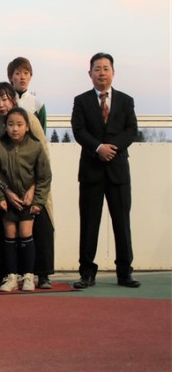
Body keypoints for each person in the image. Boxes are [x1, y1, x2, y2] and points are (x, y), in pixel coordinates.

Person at [71, 53, 139, 289]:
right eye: (97, 69)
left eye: (106, 68)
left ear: (113, 72)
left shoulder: (126, 100)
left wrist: (112, 148)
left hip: (118, 171)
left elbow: (131, 130)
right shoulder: (81, 101)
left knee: (122, 224)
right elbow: (78, 130)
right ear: (89, 73)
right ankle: (86, 273)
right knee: (89, 224)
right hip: (91, 171)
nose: (101, 73)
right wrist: (98, 148)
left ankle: (125, 273)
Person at [0, 82, 55, 289]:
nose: (1, 104)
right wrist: (5, 192)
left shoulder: (28, 118)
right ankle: (4, 273)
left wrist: (33, 189)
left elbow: (42, 154)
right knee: (1, 231)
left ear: (13, 100)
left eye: (5, 99)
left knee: (40, 228)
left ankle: (41, 274)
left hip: (32, 188)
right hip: (4, 190)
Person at [8, 57, 47, 132]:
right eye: (18, 73)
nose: (22, 77)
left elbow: (42, 134)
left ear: (30, 76)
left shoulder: (38, 103)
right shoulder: (4, 103)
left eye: (26, 73)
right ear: (10, 77)